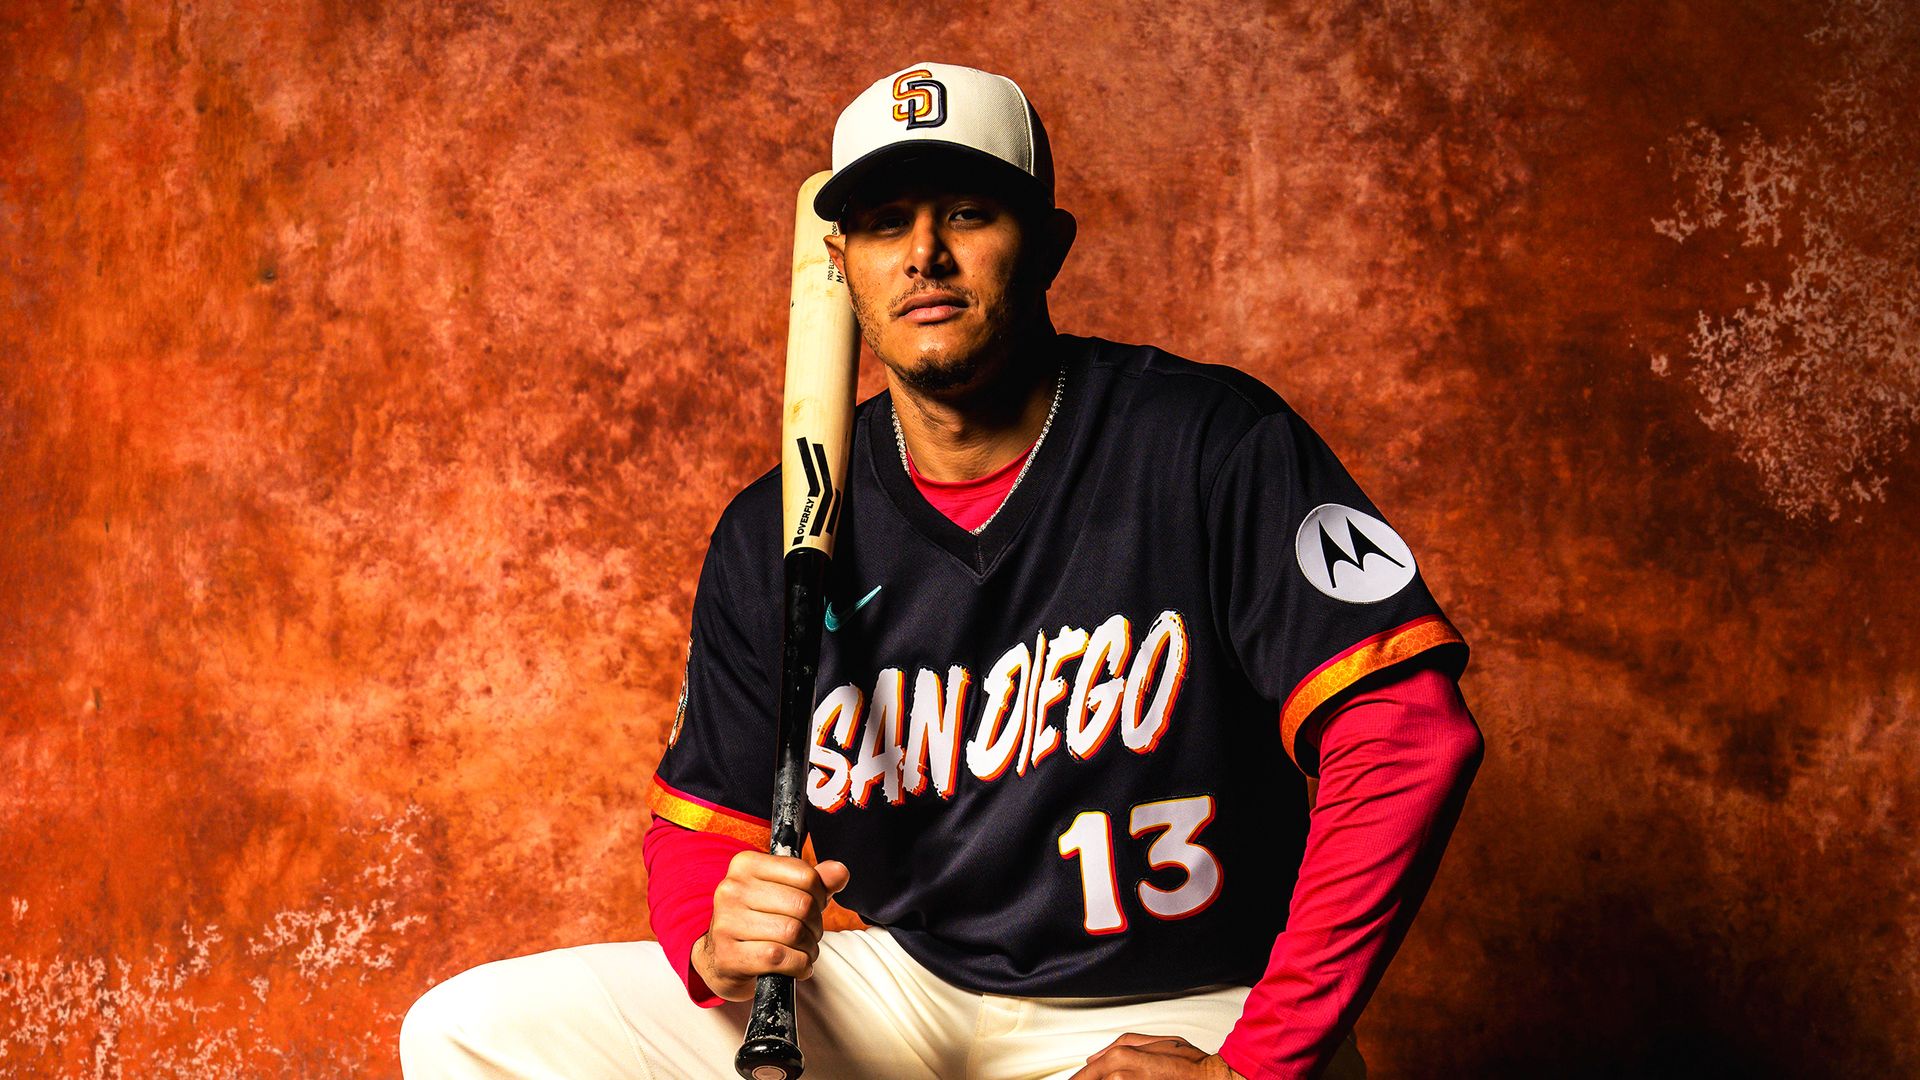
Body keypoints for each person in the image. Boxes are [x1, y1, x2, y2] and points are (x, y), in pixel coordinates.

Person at [400, 61, 1484, 1080]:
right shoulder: (773, 527)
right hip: (919, 992)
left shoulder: (1207, 443)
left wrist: (1262, 1061)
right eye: (883, 223)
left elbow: (1406, 736)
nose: (923, 253)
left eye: (967, 211)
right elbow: (702, 835)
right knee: (471, 1035)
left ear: (1048, 243)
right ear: (843, 265)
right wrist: (715, 939)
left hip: (1188, 997)